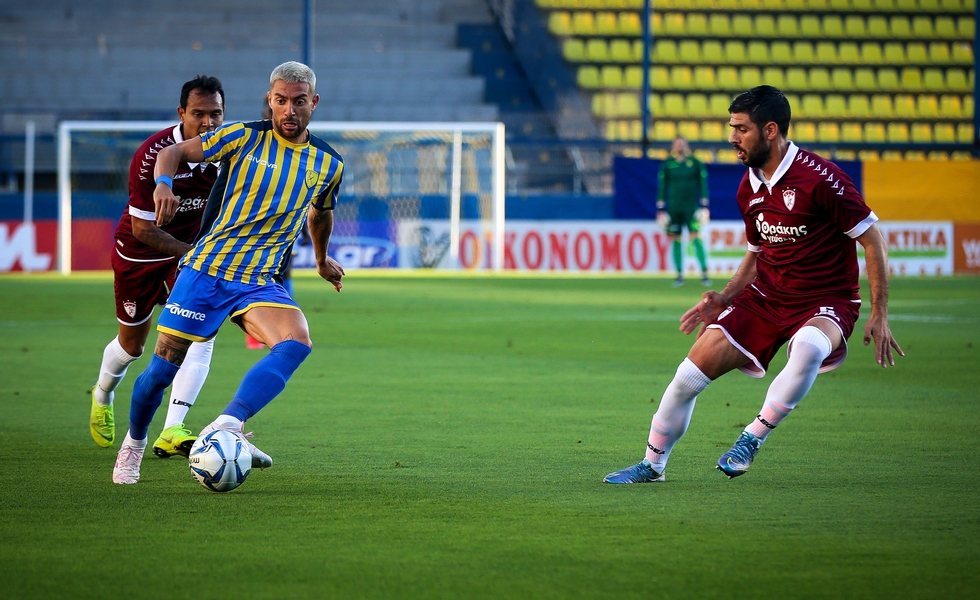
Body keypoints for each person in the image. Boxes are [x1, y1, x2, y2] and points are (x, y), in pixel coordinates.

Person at [604, 86, 904, 484]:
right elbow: (756, 254)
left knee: (810, 347)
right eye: (731, 127)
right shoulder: (749, 186)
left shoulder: (821, 179)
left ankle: (751, 438)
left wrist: (879, 313)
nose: (731, 138)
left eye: (741, 129)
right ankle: (652, 465)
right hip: (765, 299)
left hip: (825, 301)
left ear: (771, 130)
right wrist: (724, 297)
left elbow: (872, 239)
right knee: (686, 378)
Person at [112, 61, 346, 484]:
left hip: (259, 279)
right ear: (269, 101)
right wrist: (164, 183)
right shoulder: (244, 136)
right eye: (280, 101)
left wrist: (321, 258)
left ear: (313, 103)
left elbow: (321, 213)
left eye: (298, 102)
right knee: (161, 371)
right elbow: (173, 151)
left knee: (296, 342)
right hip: (208, 269)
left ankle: (226, 425)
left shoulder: (329, 163)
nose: (289, 110)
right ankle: (134, 444)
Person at [89, 75, 225, 458]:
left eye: (215, 114)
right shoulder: (152, 154)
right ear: (182, 113)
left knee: (200, 332)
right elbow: (143, 229)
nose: (208, 123)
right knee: (132, 347)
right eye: (199, 114)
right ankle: (102, 393)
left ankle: (173, 428)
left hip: (185, 257)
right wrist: (189, 251)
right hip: (140, 254)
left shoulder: (227, 151)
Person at [656, 136, 711, 287]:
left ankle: (704, 273)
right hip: (674, 207)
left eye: (682, 144)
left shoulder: (695, 163)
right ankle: (679, 274)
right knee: (676, 239)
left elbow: (703, 184)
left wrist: (705, 205)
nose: (679, 146)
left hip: (690, 207)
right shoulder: (668, 165)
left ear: (686, 145)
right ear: (673, 146)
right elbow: (662, 186)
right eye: (677, 144)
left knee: (696, 237)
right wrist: (660, 208)